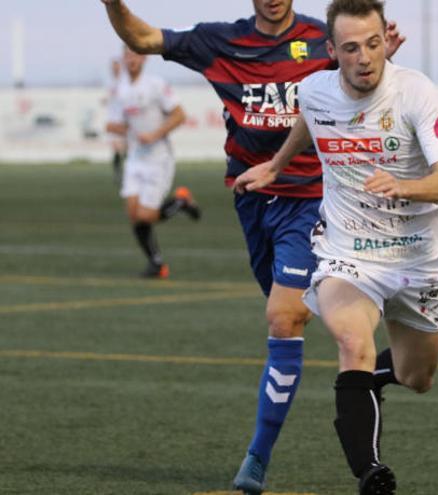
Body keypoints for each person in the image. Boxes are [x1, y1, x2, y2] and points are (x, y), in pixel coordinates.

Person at [99, 1, 404, 492]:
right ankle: (384, 366)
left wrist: (380, 54)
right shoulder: (221, 41)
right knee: (304, 315)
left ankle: (256, 460)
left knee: (284, 317)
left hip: (312, 201)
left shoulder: (320, 38)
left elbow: (364, 82)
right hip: (252, 199)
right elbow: (144, 39)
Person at [234, 0, 438, 492]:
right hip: (347, 252)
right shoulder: (315, 90)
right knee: (351, 342)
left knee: (417, 376)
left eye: (374, 44)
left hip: (416, 257)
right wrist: (275, 168)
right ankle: (370, 472)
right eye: (352, 48)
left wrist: (408, 186)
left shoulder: (417, 93)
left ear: (387, 40)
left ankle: (380, 378)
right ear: (333, 51)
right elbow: (309, 120)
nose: (365, 58)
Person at [106, 46, 201, 279]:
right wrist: (116, 127)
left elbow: (179, 115)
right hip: (136, 159)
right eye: (127, 55)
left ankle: (181, 200)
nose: (131, 59)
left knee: (146, 216)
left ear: (144, 58)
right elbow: (116, 122)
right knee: (133, 215)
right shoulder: (120, 89)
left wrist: (155, 134)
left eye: (135, 55)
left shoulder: (156, 85)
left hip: (159, 159)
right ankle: (156, 264)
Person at [105, 58, 127, 185]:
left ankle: (128, 172)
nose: (115, 69)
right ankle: (118, 173)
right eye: (113, 67)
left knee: (126, 149)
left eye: (117, 66)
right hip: (114, 121)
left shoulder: (125, 82)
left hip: (124, 121)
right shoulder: (110, 83)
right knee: (116, 149)